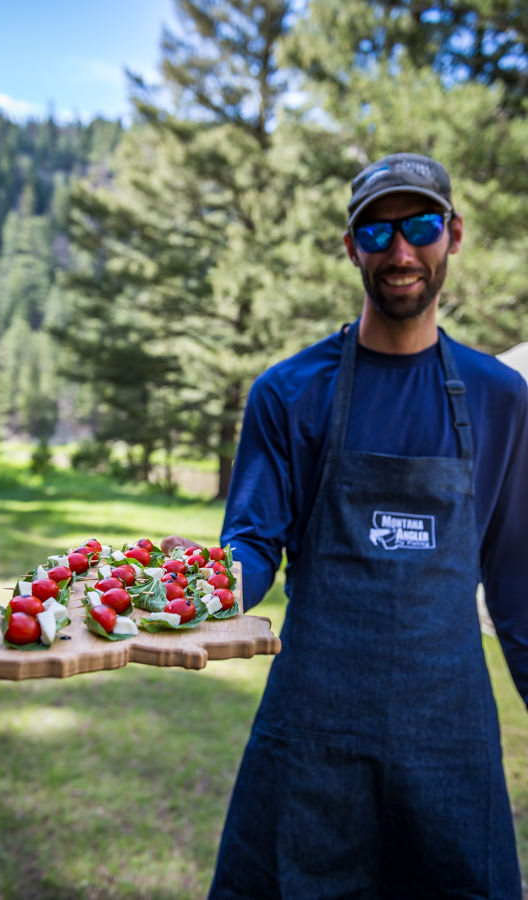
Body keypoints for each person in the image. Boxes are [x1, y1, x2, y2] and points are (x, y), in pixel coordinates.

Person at [163, 152, 528, 899]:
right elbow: (253, 546)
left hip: (450, 750)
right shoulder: (288, 392)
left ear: (453, 235)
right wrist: (204, 585)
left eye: (420, 226)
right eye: (376, 231)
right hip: (313, 747)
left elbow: (520, 590)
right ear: (350, 245)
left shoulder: (501, 400)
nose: (400, 253)